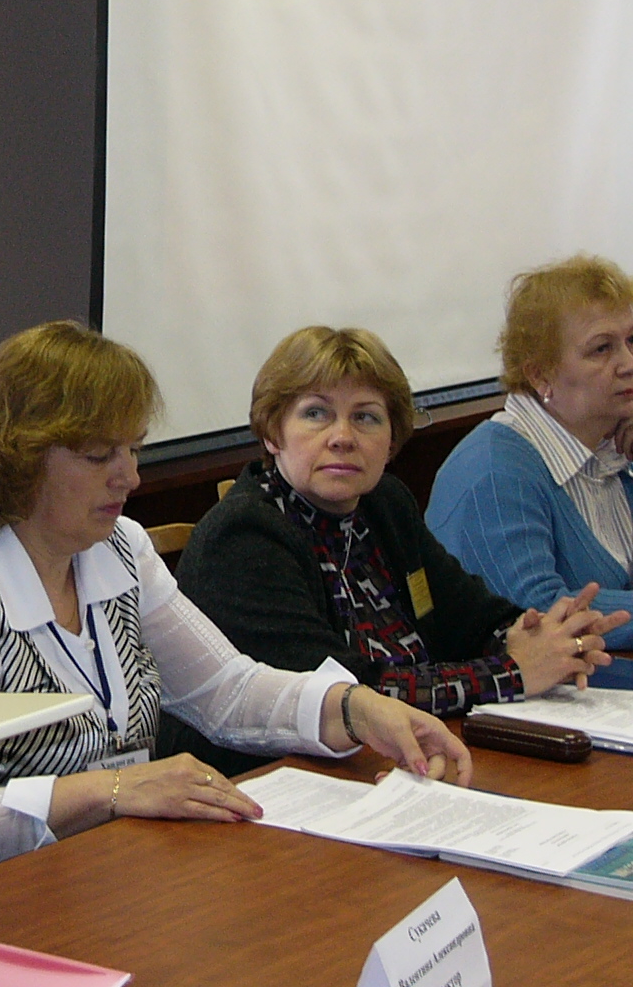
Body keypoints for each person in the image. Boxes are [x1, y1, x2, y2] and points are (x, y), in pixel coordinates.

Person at [0, 321, 475, 916]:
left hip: (87, 887)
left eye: (133, 449)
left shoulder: (118, 548)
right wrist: (109, 790)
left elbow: (225, 690)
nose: (130, 477)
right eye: (99, 456)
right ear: (18, 457)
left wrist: (356, 708)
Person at [166, 327, 618, 776]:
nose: (343, 437)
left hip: (399, 757)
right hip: (274, 781)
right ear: (272, 433)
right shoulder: (244, 536)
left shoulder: (384, 502)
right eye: (316, 414)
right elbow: (348, 696)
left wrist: (537, 636)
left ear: (391, 441)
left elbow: (469, 616)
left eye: (366, 417)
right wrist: (514, 674)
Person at [428, 255, 633, 649]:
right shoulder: (493, 471)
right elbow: (536, 614)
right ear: (541, 374)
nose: (627, 363)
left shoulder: (611, 446)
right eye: (601, 349)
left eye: (631, 341)